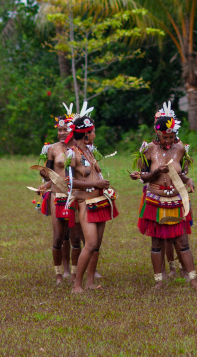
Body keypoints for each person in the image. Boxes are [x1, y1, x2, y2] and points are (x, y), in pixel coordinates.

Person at [133, 104, 197, 291]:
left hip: (175, 200)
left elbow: (180, 173)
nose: (169, 140)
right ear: (157, 133)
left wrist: (188, 179)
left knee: (182, 241)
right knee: (156, 242)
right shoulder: (148, 150)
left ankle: (193, 281)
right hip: (155, 201)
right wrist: (156, 171)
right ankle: (159, 280)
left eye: (172, 136)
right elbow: (143, 177)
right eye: (165, 137)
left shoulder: (180, 149)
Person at [66, 105, 118, 294]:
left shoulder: (90, 151)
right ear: (86, 134)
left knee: (97, 245)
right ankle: (77, 285)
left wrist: (102, 184)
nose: (95, 134)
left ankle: (89, 281)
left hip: (100, 201)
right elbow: (69, 183)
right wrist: (96, 185)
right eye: (93, 132)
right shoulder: (71, 154)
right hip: (85, 203)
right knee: (90, 243)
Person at [39, 107, 82, 285]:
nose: (62, 133)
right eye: (59, 130)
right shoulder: (52, 149)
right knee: (58, 237)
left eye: (65, 129)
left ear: (73, 130)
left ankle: (73, 274)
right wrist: (44, 175)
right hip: (57, 196)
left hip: (75, 196)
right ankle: (59, 274)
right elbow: (48, 171)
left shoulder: (80, 148)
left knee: (74, 237)